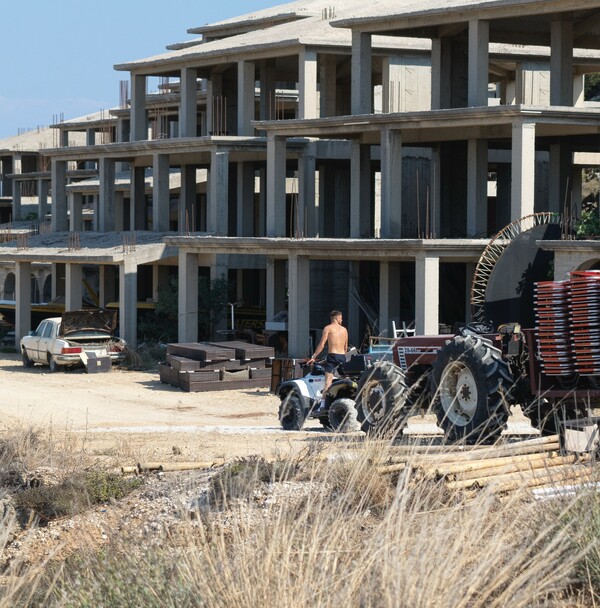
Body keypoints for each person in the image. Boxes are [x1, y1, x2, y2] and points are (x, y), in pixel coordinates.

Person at [307, 310, 348, 412]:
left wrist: (314, 356)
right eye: (341, 318)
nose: (342, 320)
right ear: (336, 318)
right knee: (345, 379)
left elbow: (321, 344)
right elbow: (346, 347)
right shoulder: (344, 330)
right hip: (342, 356)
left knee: (328, 382)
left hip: (332, 356)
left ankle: (322, 405)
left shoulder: (328, 328)